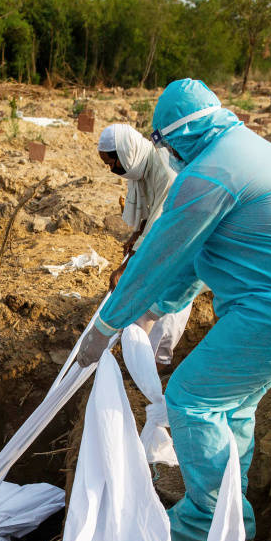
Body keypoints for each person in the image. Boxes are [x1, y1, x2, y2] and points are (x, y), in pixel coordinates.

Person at [77, 79, 271, 541]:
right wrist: (153, 309)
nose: (165, 153)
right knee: (231, 407)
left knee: (190, 397)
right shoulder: (245, 152)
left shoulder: (209, 175)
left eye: (163, 142)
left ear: (175, 136)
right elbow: (195, 260)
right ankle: (231, 510)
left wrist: (107, 324)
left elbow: (159, 255)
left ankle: (205, 527)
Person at [97, 122, 191, 367]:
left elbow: (159, 225)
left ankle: (158, 363)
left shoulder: (165, 169)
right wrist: (136, 235)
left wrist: (124, 269)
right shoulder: (143, 167)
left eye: (112, 162)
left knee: (170, 299)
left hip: (186, 240)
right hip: (166, 236)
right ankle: (142, 360)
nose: (111, 169)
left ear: (126, 153)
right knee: (148, 296)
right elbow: (151, 214)